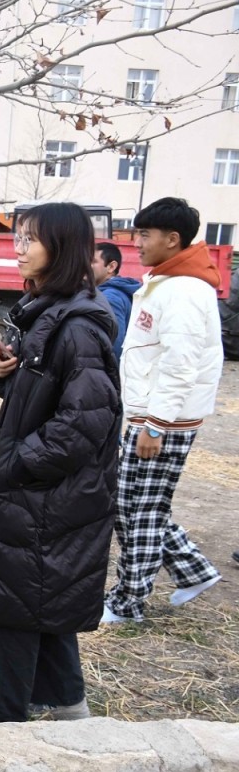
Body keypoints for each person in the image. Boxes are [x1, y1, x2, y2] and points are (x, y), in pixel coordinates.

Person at [0, 202, 121, 737]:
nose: (17, 249)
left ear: (62, 248)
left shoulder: (76, 327)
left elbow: (84, 422)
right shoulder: (50, 313)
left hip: (50, 491)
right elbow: (42, 396)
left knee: (13, 598)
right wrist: (7, 371)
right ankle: (66, 701)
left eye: (28, 240)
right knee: (41, 592)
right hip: (46, 488)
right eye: (18, 238)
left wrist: (18, 463)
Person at [103, 197, 224, 624]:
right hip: (148, 415)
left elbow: (180, 364)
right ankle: (194, 571)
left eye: (144, 235)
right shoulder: (169, 280)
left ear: (173, 240)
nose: (136, 243)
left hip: (162, 422)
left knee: (140, 511)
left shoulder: (186, 289)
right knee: (136, 503)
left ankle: (128, 602)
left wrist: (156, 425)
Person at [92, 241, 139, 360]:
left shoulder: (110, 297)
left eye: (93, 261)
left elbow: (114, 346)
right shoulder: (115, 292)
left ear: (111, 267)